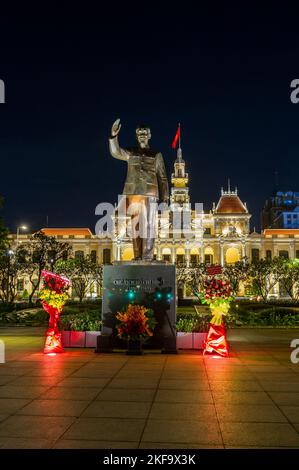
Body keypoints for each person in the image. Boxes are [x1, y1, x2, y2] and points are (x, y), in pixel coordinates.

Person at [109, 119, 169, 261]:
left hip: (150, 193)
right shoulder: (131, 152)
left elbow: (163, 177)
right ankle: (137, 256)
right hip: (133, 193)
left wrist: (165, 197)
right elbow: (116, 152)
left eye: (145, 132)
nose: (142, 135)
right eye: (139, 133)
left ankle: (147, 257)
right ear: (137, 136)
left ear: (149, 135)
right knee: (135, 226)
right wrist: (113, 136)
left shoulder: (156, 155)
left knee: (149, 226)